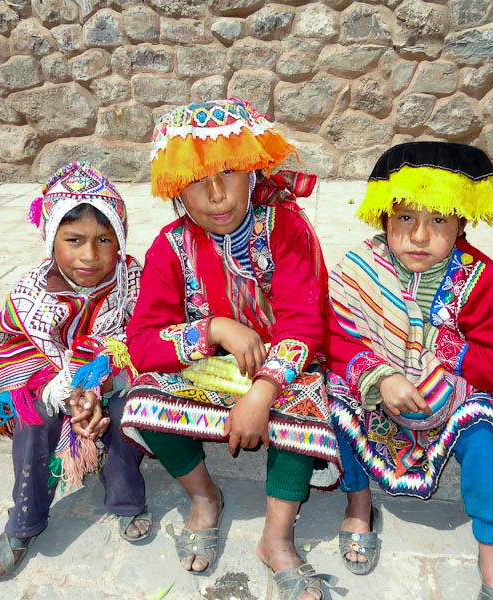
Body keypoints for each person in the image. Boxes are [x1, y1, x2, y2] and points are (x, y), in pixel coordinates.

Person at [120, 98, 340, 600]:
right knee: (142, 397)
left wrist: (262, 393)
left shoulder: (286, 228)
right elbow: (143, 341)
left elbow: (304, 327)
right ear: (177, 187)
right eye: (198, 181)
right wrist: (213, 328)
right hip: (210, 370)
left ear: (253, 173)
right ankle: (204, 497)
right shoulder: (169, 248)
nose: (217, 196)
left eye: (230, 175)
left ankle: (277, 537)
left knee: (307, 401)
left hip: (280, 364)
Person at [323, 142, 493, 599]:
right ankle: (359, 504)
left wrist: (446, 349)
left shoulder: (484, 282)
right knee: (334, 399)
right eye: (405, 218)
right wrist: (381, 375)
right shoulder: (361, 269)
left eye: (437, 220)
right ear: (384, 219)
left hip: (457, 396)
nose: (419, 236)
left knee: (485, 427)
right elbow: (335, 335)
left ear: (462, 222)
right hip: (383, 396)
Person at [0, 161, 151, 580]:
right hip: (51, 383)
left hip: (115, 382)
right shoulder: (31, 291)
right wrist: (51, 384)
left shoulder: (135, 282)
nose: (89, 255)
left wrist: (103, 383)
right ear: (51, 240)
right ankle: (25, 520)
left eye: (104, 240)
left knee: (129, 411)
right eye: (74, 240)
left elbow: (147, 339)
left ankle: (126, 497)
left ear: (120, 240)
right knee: (32, 417)